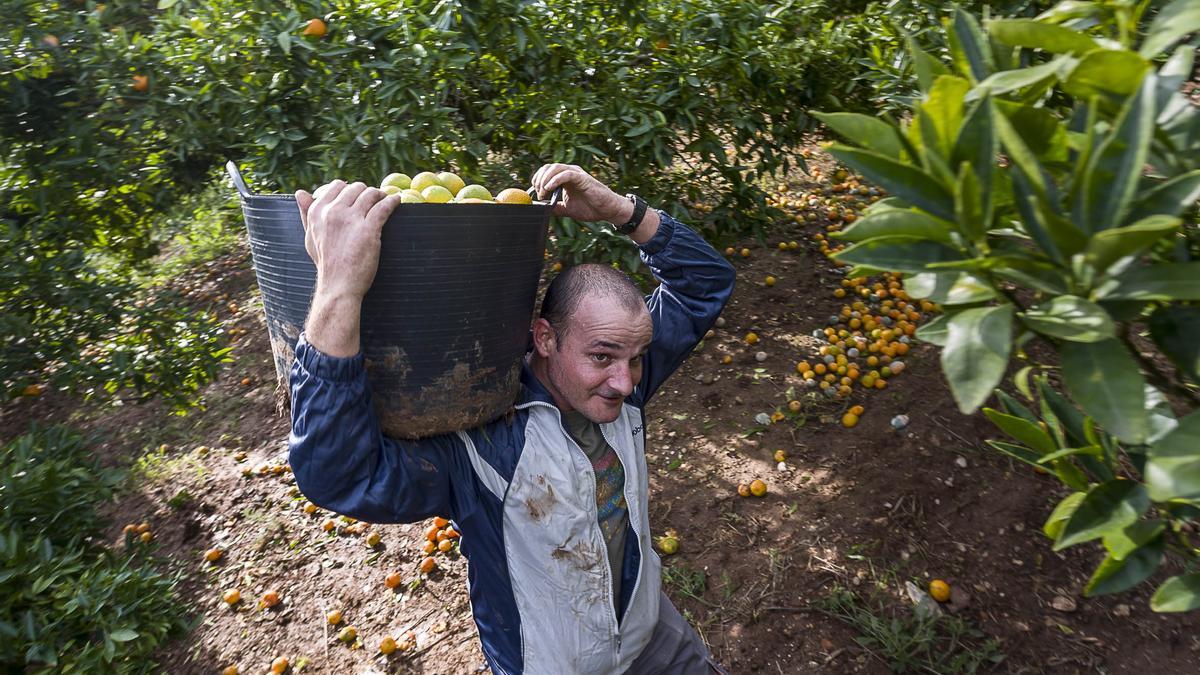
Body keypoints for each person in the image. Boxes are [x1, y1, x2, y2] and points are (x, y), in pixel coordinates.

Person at [288, 163, 735, 674]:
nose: (626, 381)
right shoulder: (479, 442)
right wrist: (339, 289)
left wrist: (620, 210)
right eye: (602, 356)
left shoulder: (620, 392)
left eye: (635, 358)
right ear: (545, 338)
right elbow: (338, 475)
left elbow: (704, 285)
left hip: (654, 637)